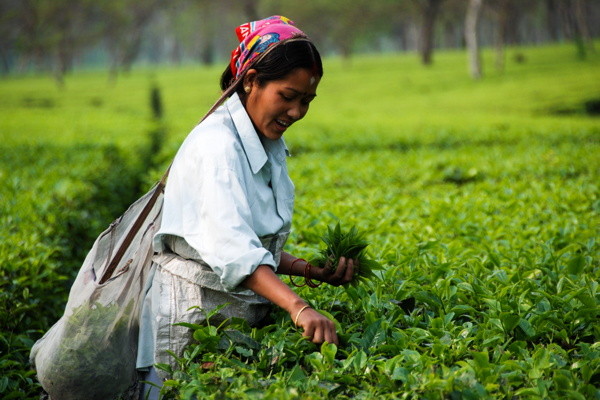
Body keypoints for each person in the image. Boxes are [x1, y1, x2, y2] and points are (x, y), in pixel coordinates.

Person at [136, 15, 357, 399]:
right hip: (192, 323)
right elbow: (234, 252)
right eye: (287, 97)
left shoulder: (264, 140)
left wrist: (309, 270)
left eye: (306, 100)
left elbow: (249, 241)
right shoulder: (217, 147)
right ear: (251, 80)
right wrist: (300, 307)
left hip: (233, 321)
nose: (297, 112)